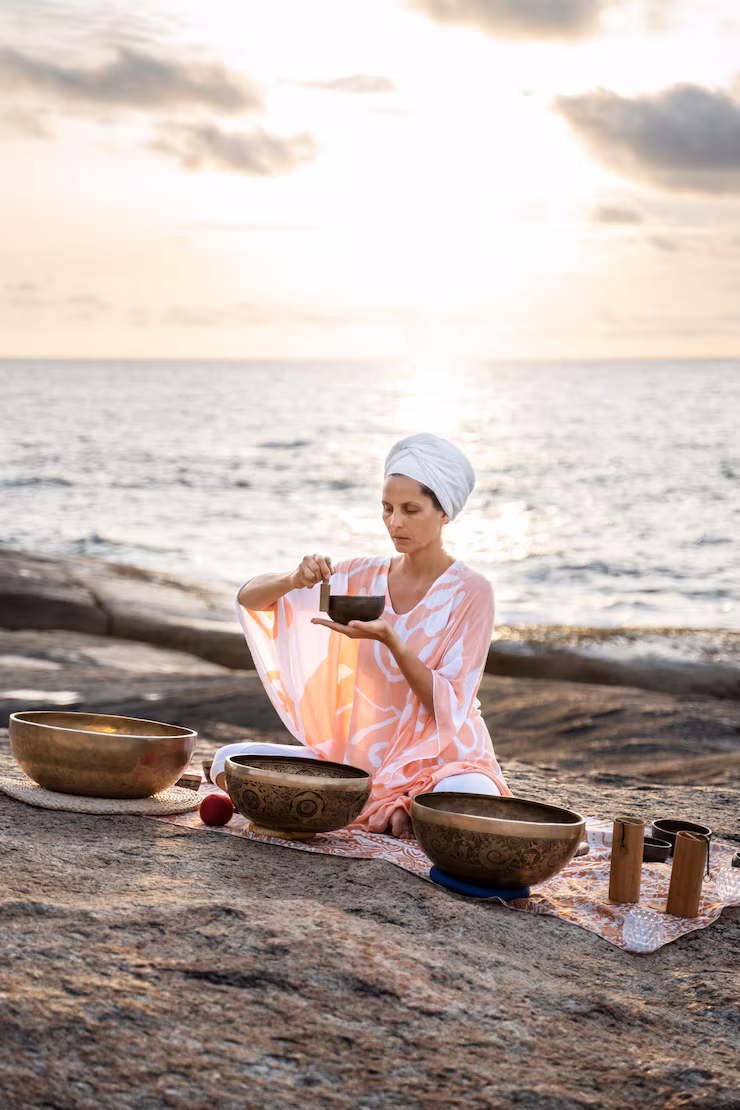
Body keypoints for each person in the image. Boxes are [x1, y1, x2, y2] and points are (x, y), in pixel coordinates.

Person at [211, 432, 509, 838]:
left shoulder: (471, 591)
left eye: (410, 509)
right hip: (357, 759)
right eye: (387, 509)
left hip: (444, 759)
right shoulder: (361, 575)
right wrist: (292, 578)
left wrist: (392, 642)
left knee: (467, 799)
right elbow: (251, 599)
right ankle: (392, 810)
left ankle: (403, 806)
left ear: (445, 513)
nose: (395, 522)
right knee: (227, 760)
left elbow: (449, 708)